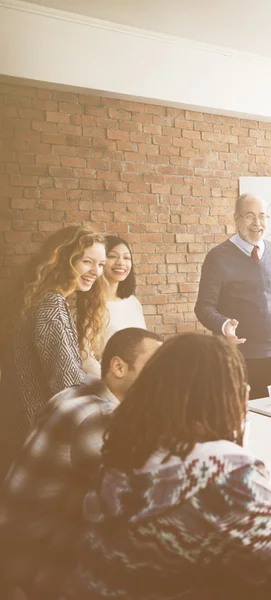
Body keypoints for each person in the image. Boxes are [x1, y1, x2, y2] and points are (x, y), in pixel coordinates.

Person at [62, 333, 271, 600]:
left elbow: (188, 517)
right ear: (225, 397)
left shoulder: (125, 453)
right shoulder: (225, 471)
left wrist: (268, 505)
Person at [0, 327, 162, 600]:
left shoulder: (81, 391)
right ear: (119, 367)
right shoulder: (98, 418)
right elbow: (139, 497)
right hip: (33, 571)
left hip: (15, 548)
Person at [0, 226, 107, 481]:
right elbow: (67, 382)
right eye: (87, 261)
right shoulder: (51, 304)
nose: (96, 271)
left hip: (16, 424)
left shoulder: (35, 299)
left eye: (101, 264)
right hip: (37, 430)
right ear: (63, 259)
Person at [194, 193, 271, 400]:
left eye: (262, 216)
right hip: (235, 354)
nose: (257, 223)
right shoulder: (218, 257)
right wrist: (224, 325)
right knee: (238, 418)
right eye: (249, 216)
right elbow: (203, 307)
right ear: (237, 218)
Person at [82, 235, 146, 375]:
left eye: (126, 257)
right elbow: (86, 359)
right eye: (112, 256)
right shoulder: (86, 305)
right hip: (105, 386)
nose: (121, 263)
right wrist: (113, 386)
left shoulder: (133, 303)